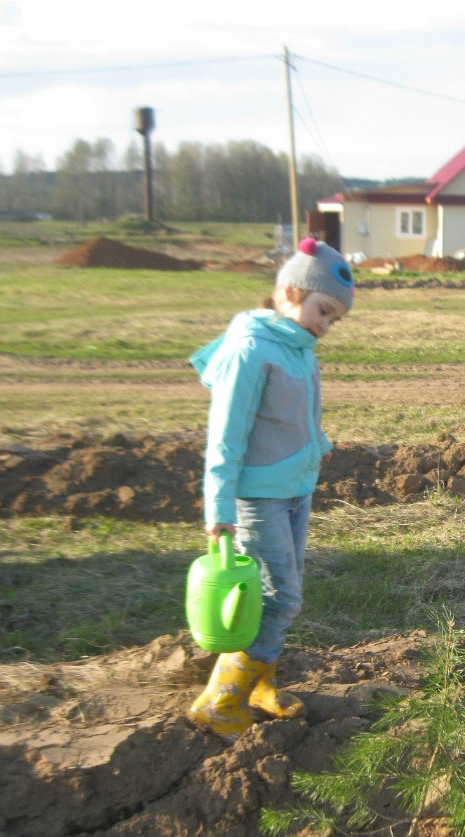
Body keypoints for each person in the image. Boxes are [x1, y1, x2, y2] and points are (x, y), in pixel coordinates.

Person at [186, 237, 355, 743]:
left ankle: (260, 686)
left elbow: (298, 414)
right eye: (322, 310)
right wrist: (218, 507)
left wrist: (318, 441)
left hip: (294, 488)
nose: (324, 325)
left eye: (334, 319)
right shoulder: (251, 350)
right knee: (280, 598)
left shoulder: (299, 349)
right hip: (257, 498)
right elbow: (226, 436)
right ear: (287, 293)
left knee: (277, 593)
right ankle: (220, 700)